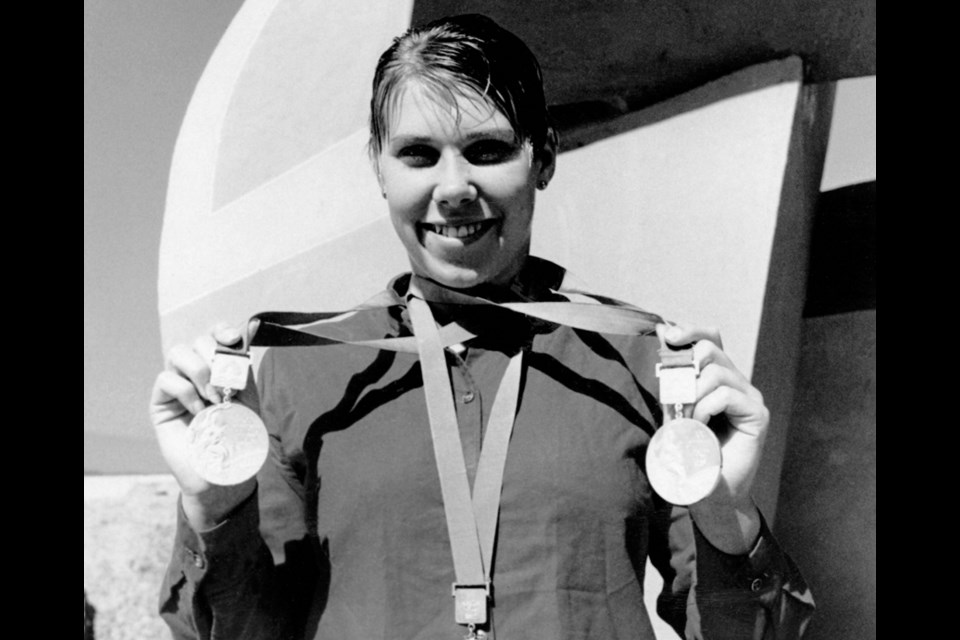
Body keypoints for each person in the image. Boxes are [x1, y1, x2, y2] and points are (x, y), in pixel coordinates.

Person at [150, 14, 814, 640]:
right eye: (418, 154)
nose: (454, 187)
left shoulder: (640, 362)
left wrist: (727, 514)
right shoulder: (302, 371)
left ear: (544, 158)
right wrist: (214, 509)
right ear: (377, 167)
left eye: (487, 149)